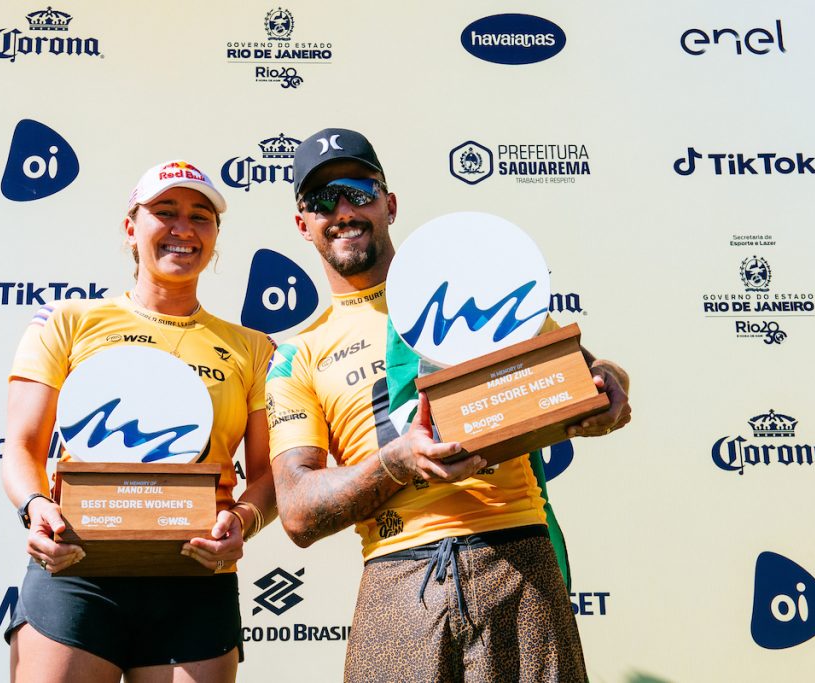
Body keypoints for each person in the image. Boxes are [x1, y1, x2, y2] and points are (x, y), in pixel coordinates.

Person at [267, 129, 632, 682]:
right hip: (397, 575)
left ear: (389, 204)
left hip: (516, 554)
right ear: (303, 223)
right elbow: (297, 512)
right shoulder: (297, 355)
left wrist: (607, 385)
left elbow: (583, 373)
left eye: (357, 191)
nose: (342, 210)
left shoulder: (473, 285)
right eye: (321, 200)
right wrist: (397, 461)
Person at [1, 160, 276, 683]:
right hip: (77, 568)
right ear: (131, 228)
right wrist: (35, 507)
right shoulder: (67, 322)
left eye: (201, 216)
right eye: (165, 211)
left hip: (197, 576)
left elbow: (267, 475)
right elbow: (21, 447)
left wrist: (241, 522)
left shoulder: (254, 348)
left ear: (215, 235)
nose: (183, 228)